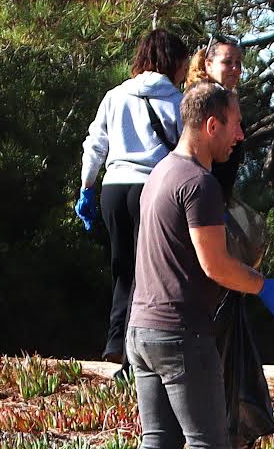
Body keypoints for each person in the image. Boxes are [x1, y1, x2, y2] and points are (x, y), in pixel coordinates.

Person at [63, 82, 274, 449]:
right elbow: (216, 265)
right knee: (210, 447)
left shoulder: (160, 174)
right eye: (235, 123)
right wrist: (263, 286)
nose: (240, 134)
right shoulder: (198, 183)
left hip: (142, 330)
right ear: (211, 124)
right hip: (180, 334)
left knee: (161, 445)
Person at [76, 30, 189, 364]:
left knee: (122, 268)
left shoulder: (115, 96)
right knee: (148, 274)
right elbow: (187, 151)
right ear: (174, 62)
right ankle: (132, 353)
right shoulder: (178, 102)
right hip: (153, 190)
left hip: (113, 188)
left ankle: (115, 341)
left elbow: (95, 144)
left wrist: (87, 186)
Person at [187, 36, 247, 197]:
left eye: (238, 63)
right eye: (227, 62)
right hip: (205, 189)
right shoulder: (204, 99)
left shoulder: (223, 96)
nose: (235, 68)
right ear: (208, 64)